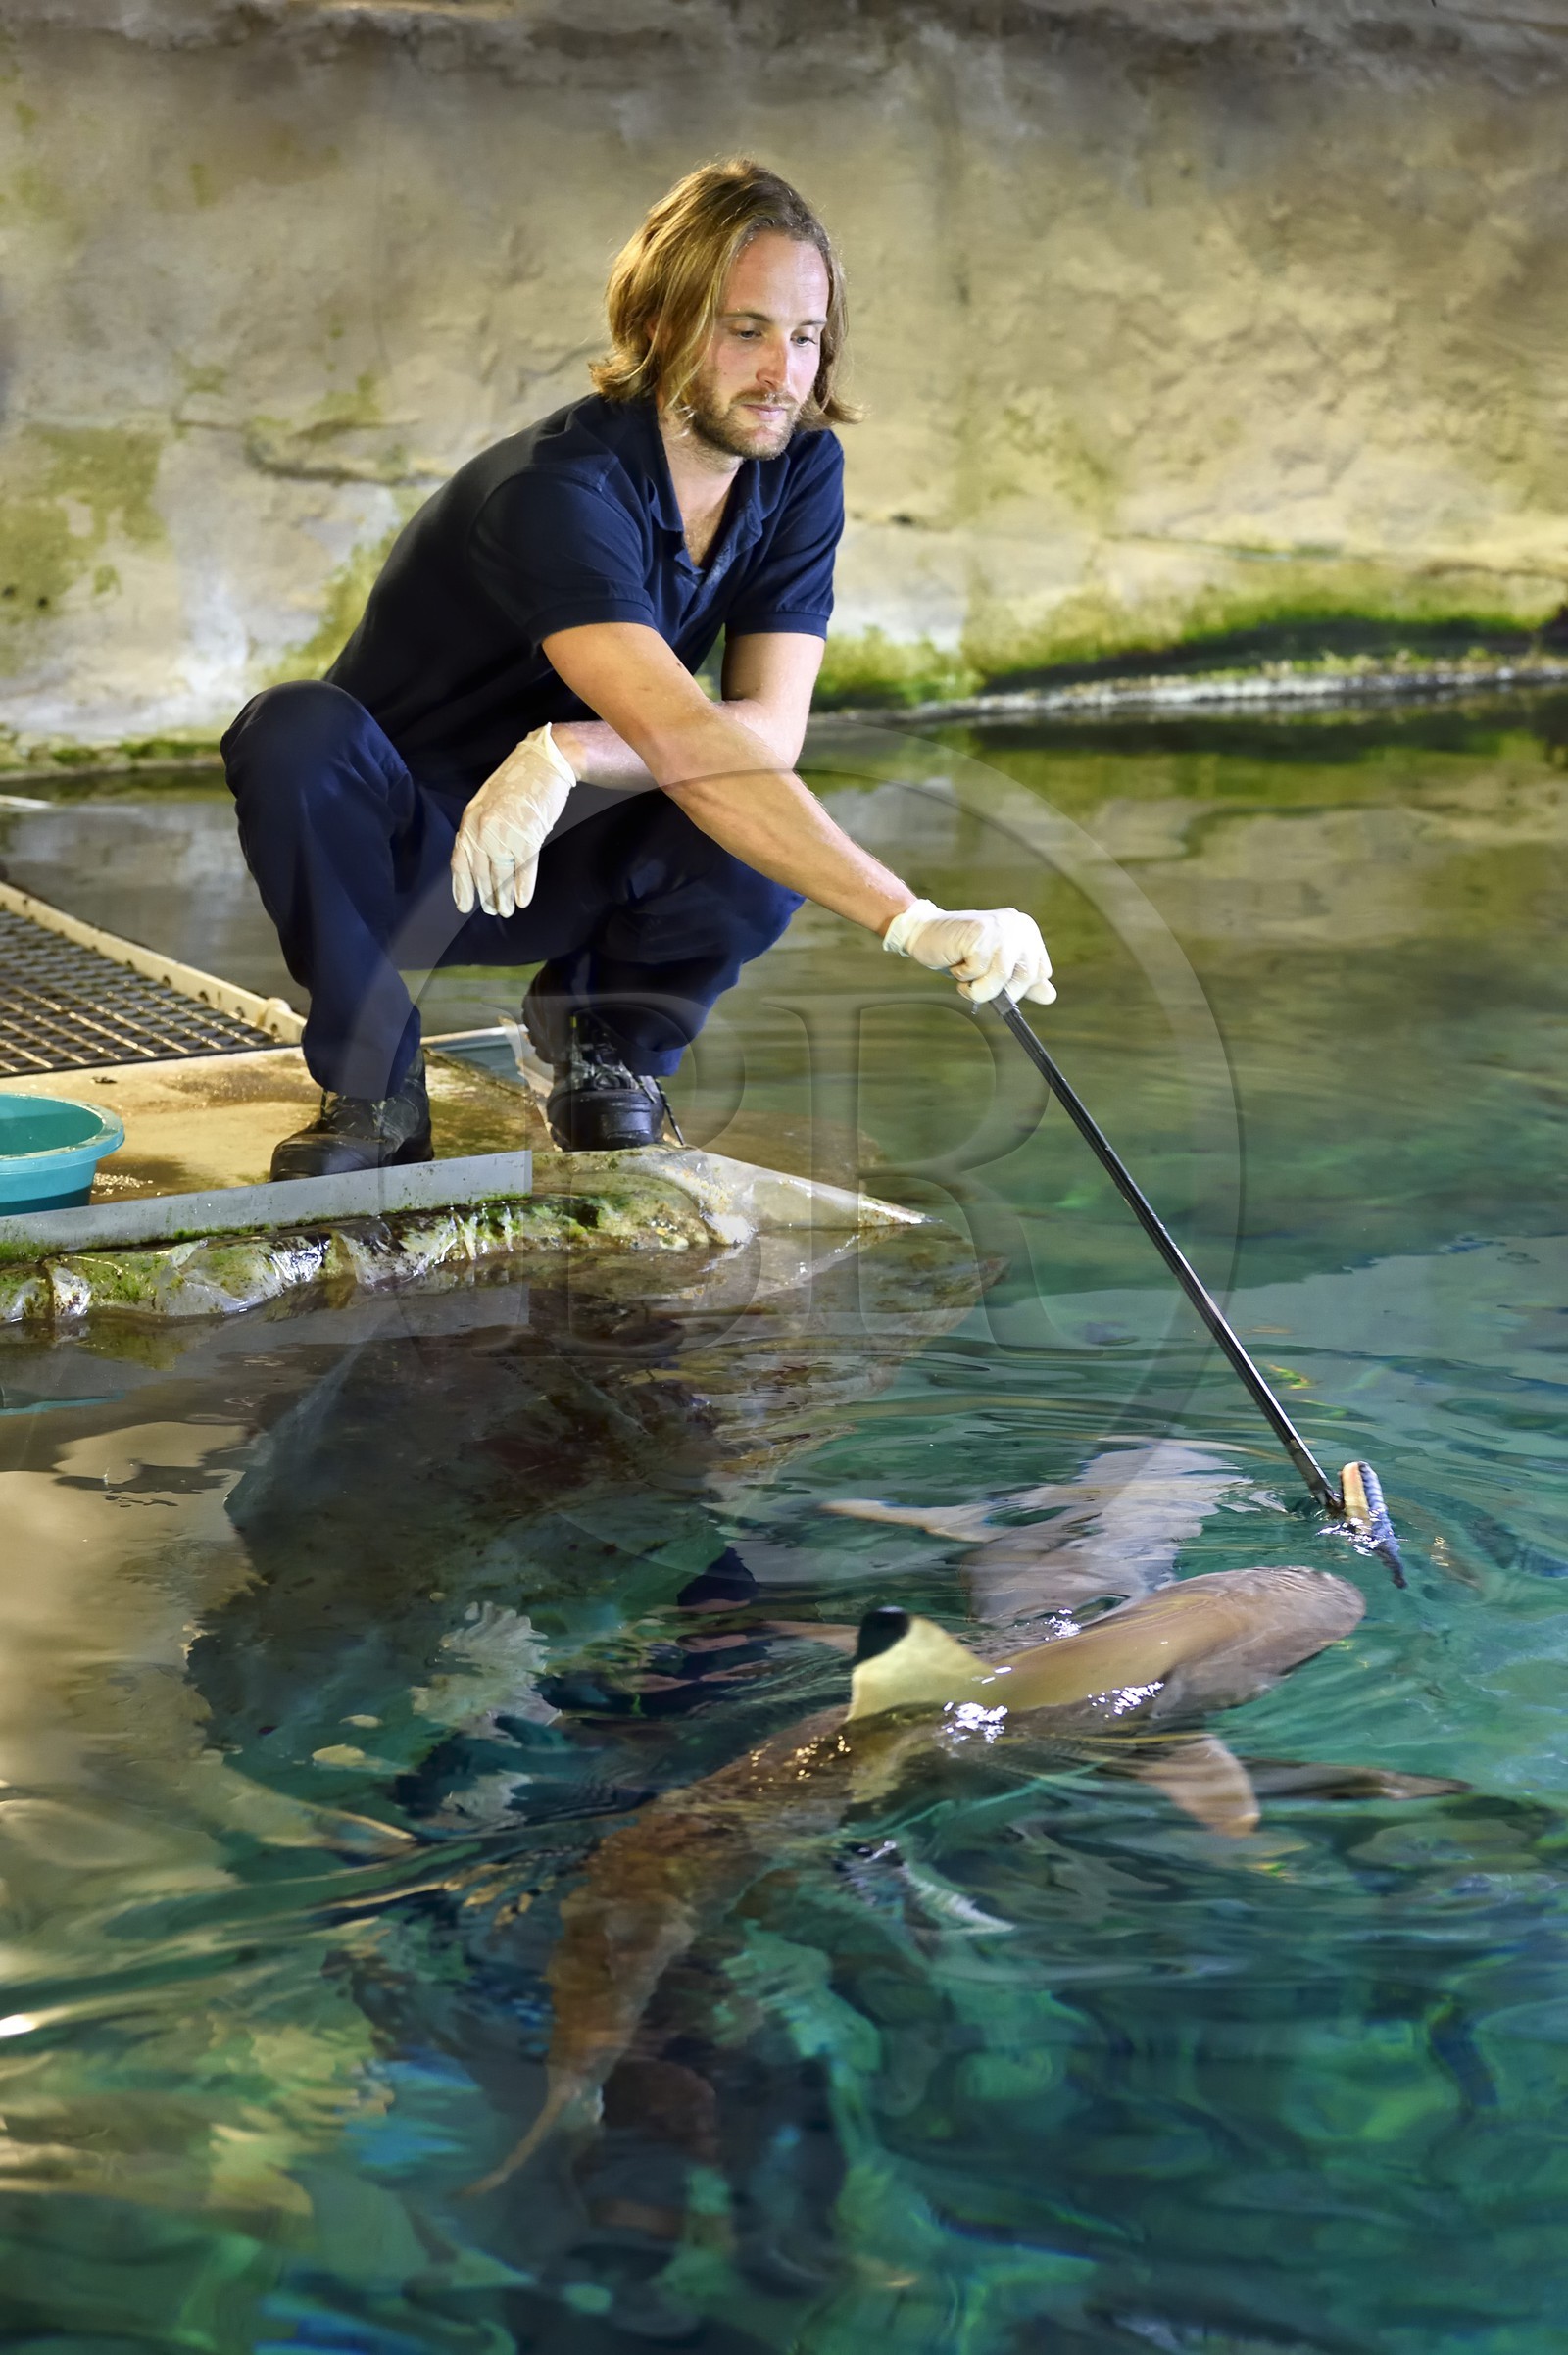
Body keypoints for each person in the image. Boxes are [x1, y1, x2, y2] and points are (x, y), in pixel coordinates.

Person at [221, 158, 1055, 1177]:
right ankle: (372, 1089)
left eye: (804, 337)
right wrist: (910, 920)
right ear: (659, 324)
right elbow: (688, 740)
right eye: (744, 330)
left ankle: (598, 1044)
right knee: (293, 729)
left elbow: (769, 732)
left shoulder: (798, 469)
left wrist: (564, 751)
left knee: (758, 827)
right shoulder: (557, 491)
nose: (782, 374)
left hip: (572, 850)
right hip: (410, 864)